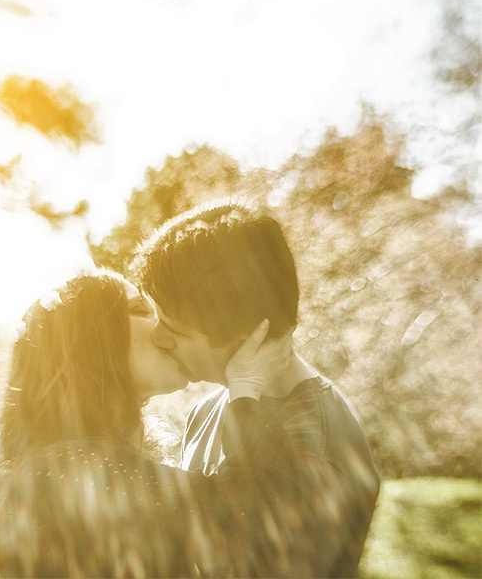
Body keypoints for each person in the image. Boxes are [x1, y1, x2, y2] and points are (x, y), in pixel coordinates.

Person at [0, 269, 306, 578]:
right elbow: (252, 512)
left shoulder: (63, 465)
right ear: (93, 339)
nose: (163, 327)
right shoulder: (63, 475)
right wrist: (248, 385)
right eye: (141, 309)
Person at [133, 199, 381, 577]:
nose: (160, 338)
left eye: (177, 330)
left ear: (251, 336)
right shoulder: (213, 406)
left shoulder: (312, 449)